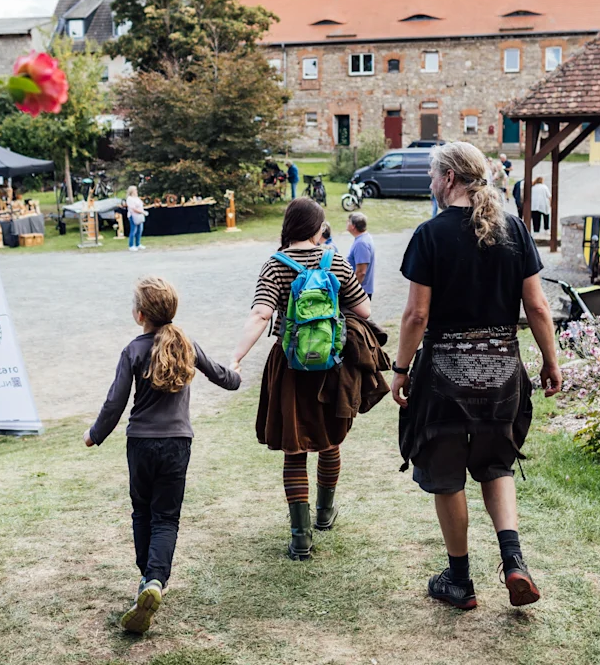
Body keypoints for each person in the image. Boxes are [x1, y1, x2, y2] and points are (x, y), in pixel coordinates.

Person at [392, 141, 562, 611]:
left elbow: (416, 315)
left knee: (447, 475)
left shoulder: (430, 235)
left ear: (449, 178)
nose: (431, 183)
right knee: (496, 465)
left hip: (444, 380)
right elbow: (537, 307)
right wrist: (551, 361)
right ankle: (514, 562)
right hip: (503, 374)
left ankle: (460, 580)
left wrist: (401, 370)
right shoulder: (514, 229)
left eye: (433, 175)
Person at [230, 197, 389, 561]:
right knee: (329, 442)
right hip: (332, 367)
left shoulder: (275, 264)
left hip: (289, 368)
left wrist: (237, 357)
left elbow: (260, 315)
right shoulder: (335, 260)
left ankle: (300, 539)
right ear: (318, 229)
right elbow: (364, 309)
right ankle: (324, 514)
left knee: (295, 449)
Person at [84, 277, 241, 634]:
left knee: (142, 511)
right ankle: (155, 580)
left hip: (140, 444)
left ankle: (147, 579)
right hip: (177, 444)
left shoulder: (133, 350)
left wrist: (94, 434)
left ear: (140, 315)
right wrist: (235, 375)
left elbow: (114, 402)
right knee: (166, 518)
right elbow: (222, 377)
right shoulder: (186, 344)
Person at [346, 211, 376, 299]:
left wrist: (351, 290)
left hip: (359, 293)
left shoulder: (361, 243)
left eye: (348, 221)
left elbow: (361, 272)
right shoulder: (364, 238)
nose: (346, 223)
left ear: (353, 226)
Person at [126, 185, 148, 251]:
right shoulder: (129, 199)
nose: (136, 191)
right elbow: (133, 208)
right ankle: (131, 245)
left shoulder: (137, 198)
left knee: (140, 230)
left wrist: (142, 211)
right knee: (133, 230)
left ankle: (138, 244)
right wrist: (142, 212)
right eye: (135, 190)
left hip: (139, 216)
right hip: (133, 216)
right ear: (132, 191)